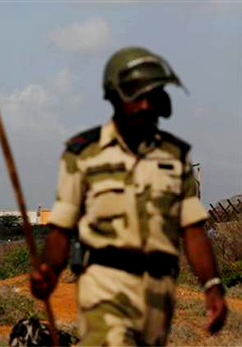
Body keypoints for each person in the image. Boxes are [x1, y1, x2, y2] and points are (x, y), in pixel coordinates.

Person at [30, 46, 228, 346]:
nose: (145, 105)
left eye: (152, 96)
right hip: (104, 285)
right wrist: (49, 270)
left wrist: (212, 287)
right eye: (136, 96)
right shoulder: (84, 155)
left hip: (158, 292)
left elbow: (193, 230)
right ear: (115, 98)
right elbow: (62, 228)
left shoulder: (174, 157)